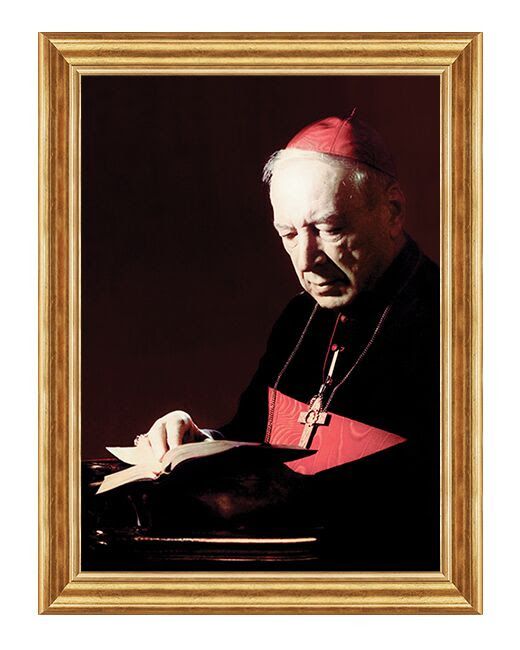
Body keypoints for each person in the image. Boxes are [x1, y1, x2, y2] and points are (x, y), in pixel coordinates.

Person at [137, 111, 440, 570]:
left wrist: (300, 495)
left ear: (392, 211)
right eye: (289, 234)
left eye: (329, 229)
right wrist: (197, 441)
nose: (306, 259)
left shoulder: (459, 325)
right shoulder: (300, 318)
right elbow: (251, 435)